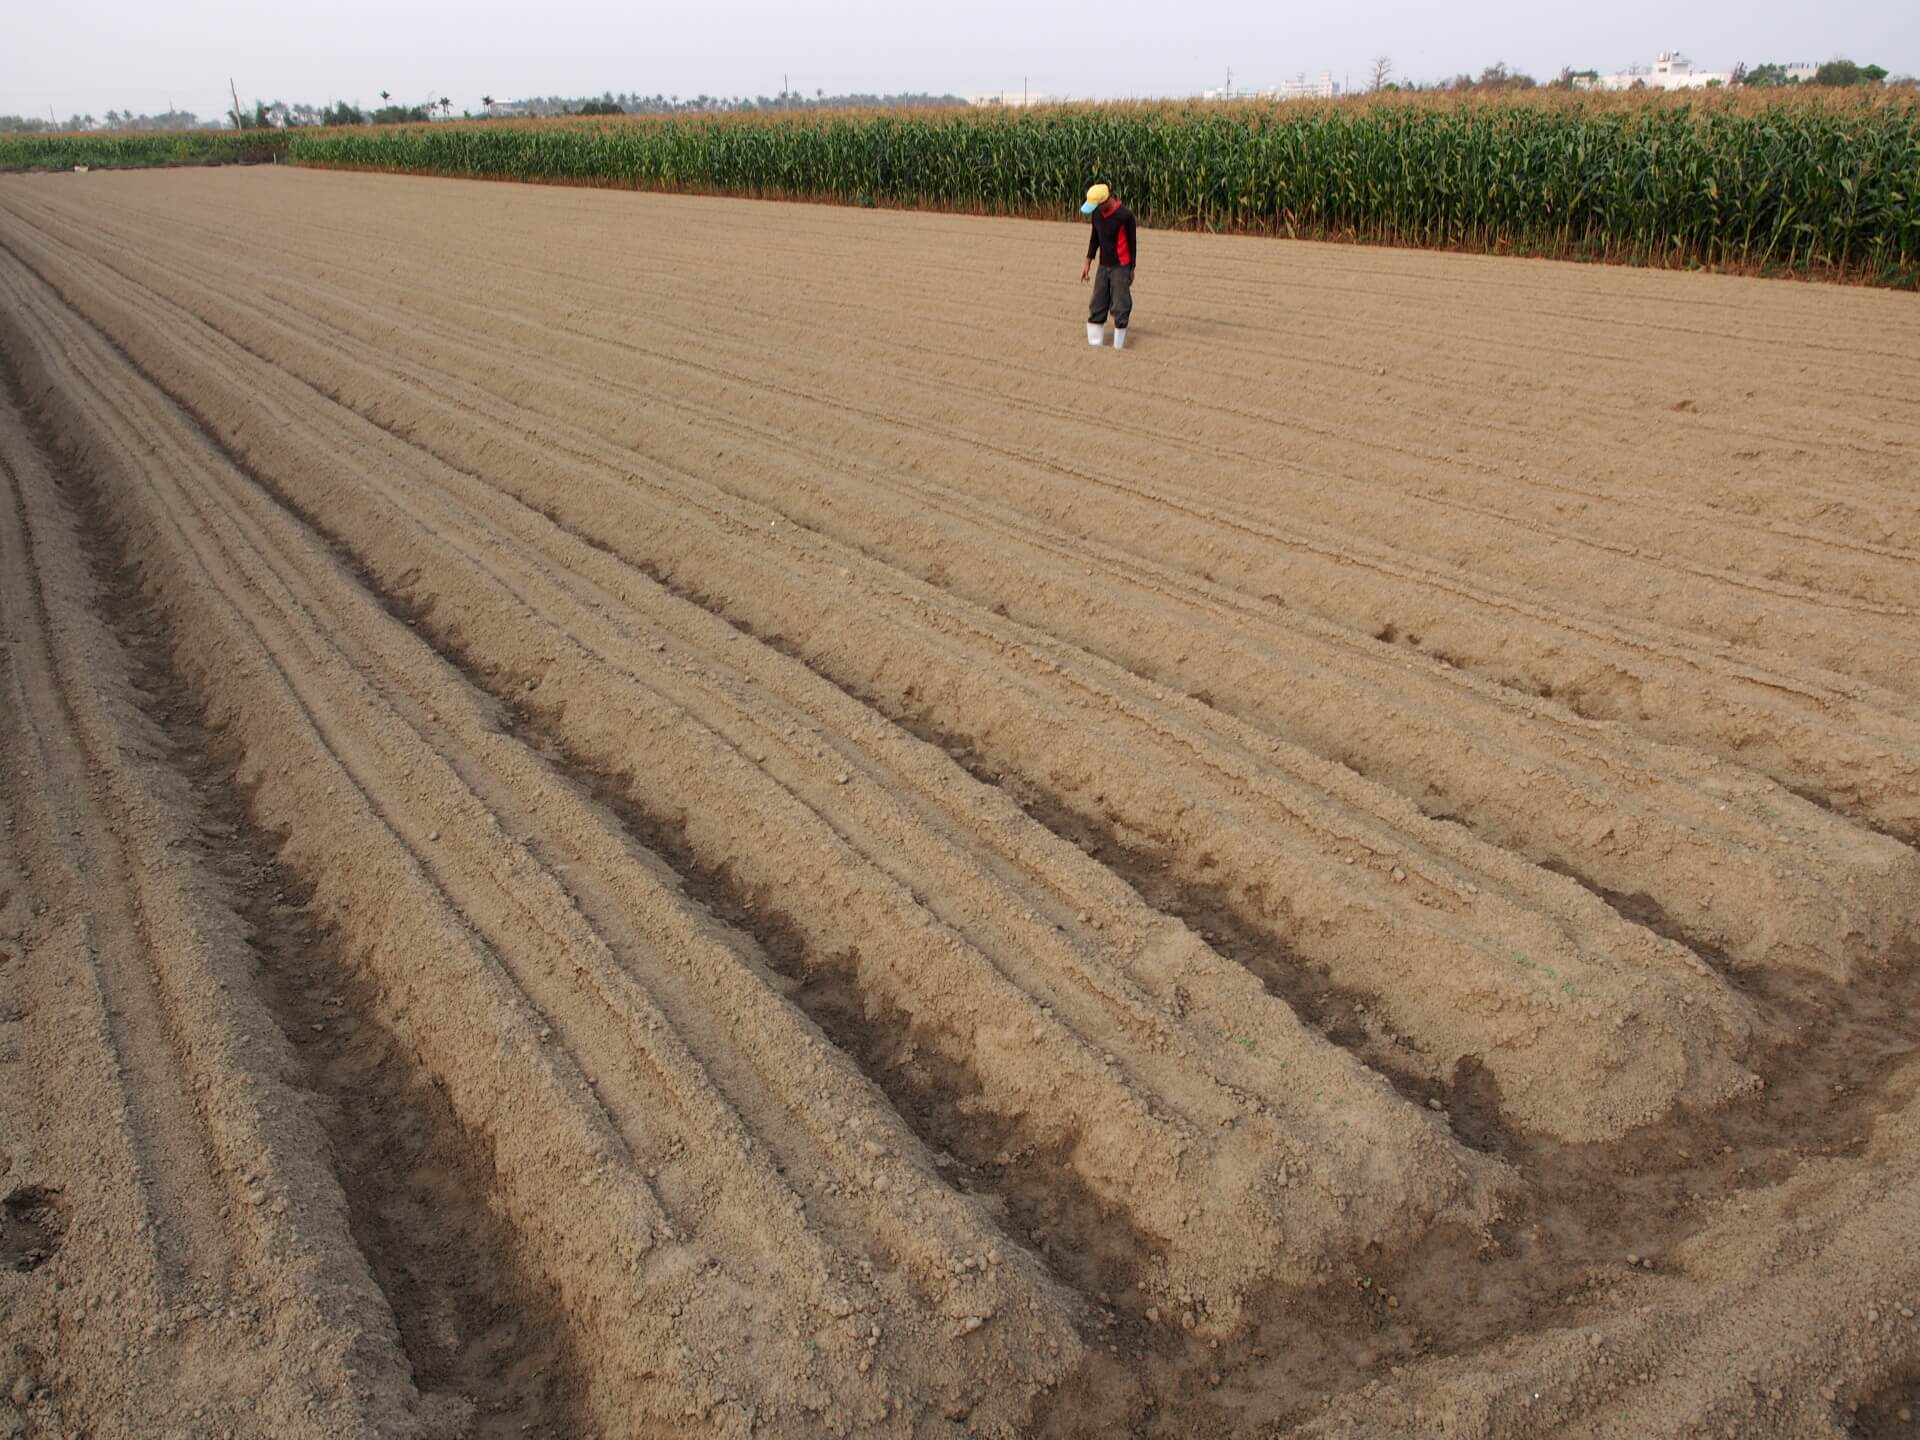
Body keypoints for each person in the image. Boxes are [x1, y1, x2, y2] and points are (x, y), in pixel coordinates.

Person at [1079, 183, 1137, 349]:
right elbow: (1094, 239)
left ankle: (1118, 346)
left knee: (1120, 305)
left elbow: (1132, 243)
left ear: (1104, 202)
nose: (1095, 210)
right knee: (1097, 304)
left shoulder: (1125, 215)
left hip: (1121, 266)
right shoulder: (1097, 214)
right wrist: (1087, 263)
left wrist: (1132, 268)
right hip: (1103, 266)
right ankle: (1095, 345)